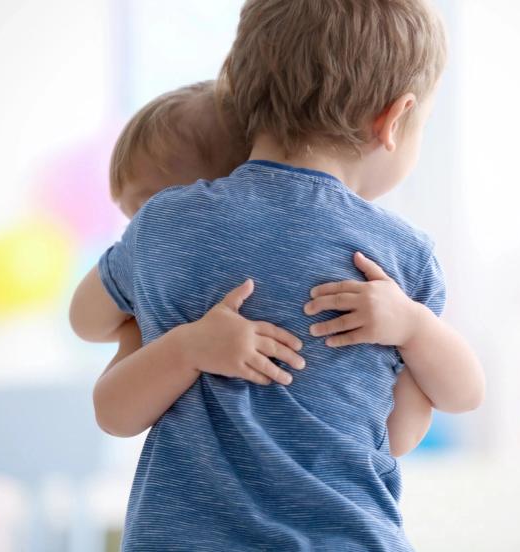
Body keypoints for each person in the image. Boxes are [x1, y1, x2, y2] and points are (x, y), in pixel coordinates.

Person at [70, 0, 485, 549]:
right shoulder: (402, 258)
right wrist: (413, 329)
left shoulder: (166, 224)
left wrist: (165, 333)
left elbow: (85, 321)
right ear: (393, 119)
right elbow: (419, 423)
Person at [86, 80, 436, 458]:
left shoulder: (167, 245)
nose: (138, 237)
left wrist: (142, 331)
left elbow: (91, 341)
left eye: (143, 213)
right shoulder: (378, 260)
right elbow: (398, 439)